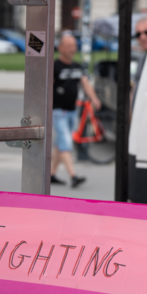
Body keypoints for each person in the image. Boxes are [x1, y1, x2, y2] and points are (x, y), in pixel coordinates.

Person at [51, 33, 100, 188]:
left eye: (74, 46)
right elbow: (46, 87)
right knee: (66, 141)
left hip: (72, 111)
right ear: (60, 48)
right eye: (69, 46)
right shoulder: (54, 66)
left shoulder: (77, 66)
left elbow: (85, 83)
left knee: (61, 142)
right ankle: (74, 176)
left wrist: (94, 98)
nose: (73, 49)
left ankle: (51, 174)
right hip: (58, 111)